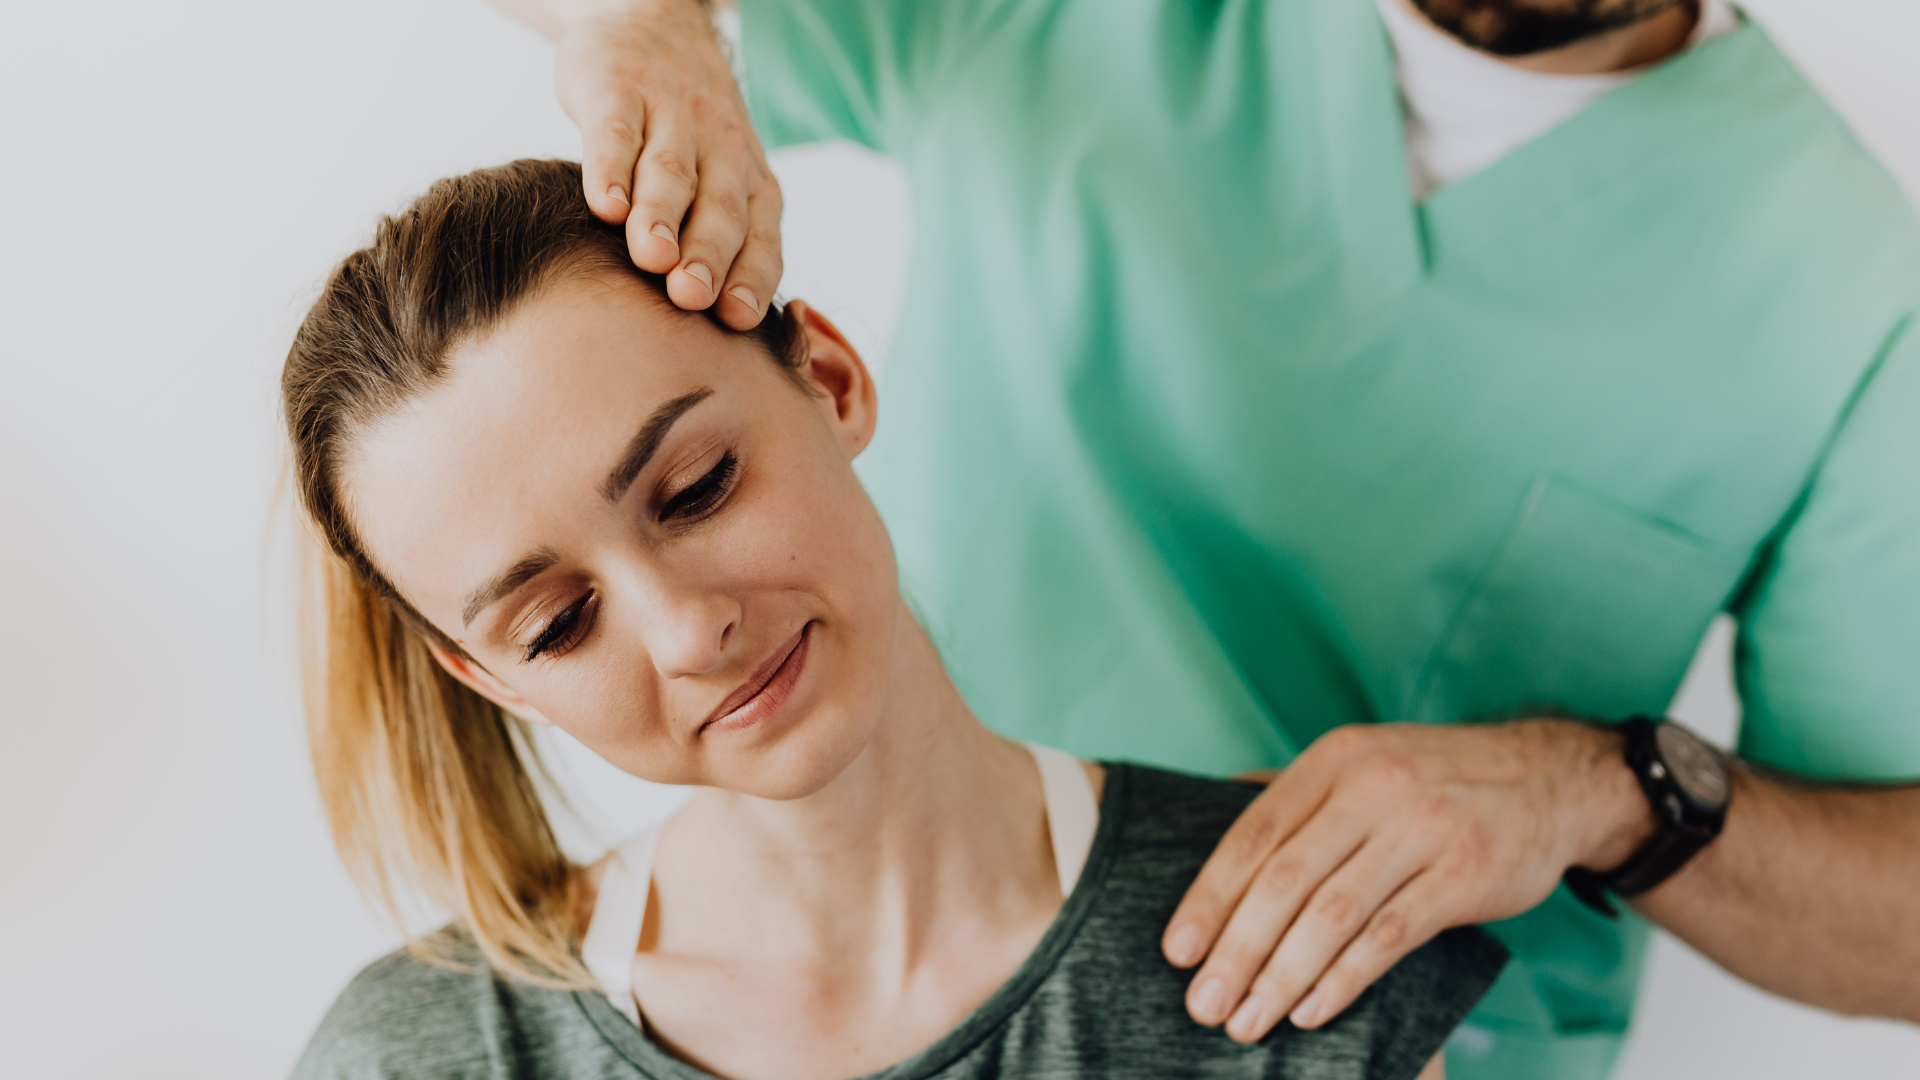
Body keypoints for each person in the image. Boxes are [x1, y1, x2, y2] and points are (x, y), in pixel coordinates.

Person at [484, 0, 1920, 1077]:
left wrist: (1594, 790)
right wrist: (642, 24)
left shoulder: (1851, 289)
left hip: (1344, 1039)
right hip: (865, 972)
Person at [284, 159, 1508, 1080]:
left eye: (697, 488)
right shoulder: (422, 1053)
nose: (685, 629)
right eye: (556, 625)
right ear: (491, 680)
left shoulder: (1308, 933)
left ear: (828, 379)